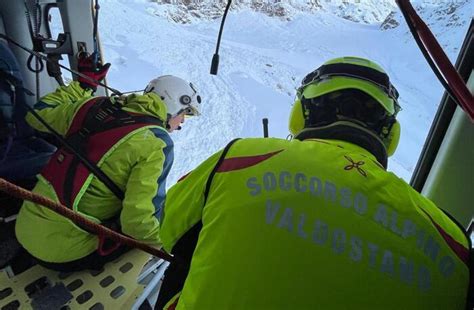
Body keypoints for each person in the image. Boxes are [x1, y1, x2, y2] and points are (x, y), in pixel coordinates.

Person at [154, 57, 470, 309]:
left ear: (300, 115)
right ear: (391, 136)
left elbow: (167, 232)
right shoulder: (453, 244)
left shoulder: (241, 157)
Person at [15, 54, 201, 271]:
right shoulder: (156, 144)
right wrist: (166, 245)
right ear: (172, 105)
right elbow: (137, 224)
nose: (180, 124)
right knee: (152, 222)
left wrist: (83, 85)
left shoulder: (93, 107)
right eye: (184, 115)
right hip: (61, 250)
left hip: (25, 222)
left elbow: (38, 114)